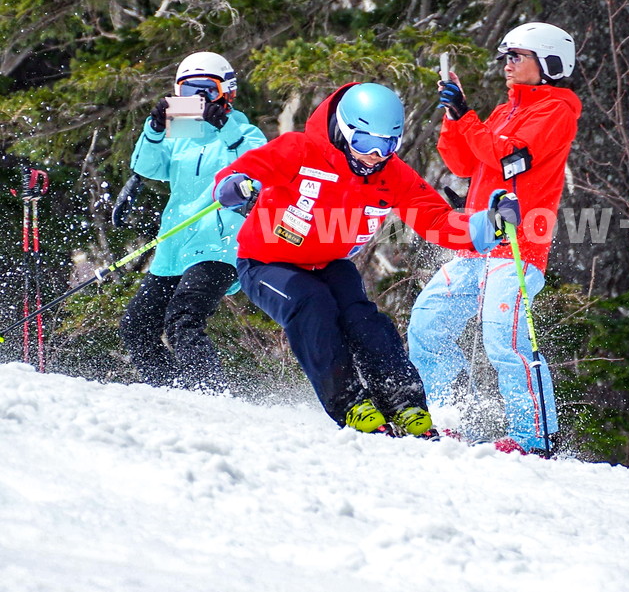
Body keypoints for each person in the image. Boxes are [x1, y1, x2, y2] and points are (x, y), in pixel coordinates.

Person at [213, 82, 519, 436]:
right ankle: (351, 404)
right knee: (313, 306)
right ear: (344, 132)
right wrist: (234, 186)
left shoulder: (392, 175)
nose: (374, 155)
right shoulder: (298, 149)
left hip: (329, 263)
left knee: (363, 319)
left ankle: (404, 402)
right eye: (364, 143)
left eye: (387, 144)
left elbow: (434, 219)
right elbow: (239, 175)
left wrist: (487, 225)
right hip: (267, 262)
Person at [407, 23, 581, 455]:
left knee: (504, 341)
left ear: (548, 63)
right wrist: (454, 117)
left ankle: (534, 438)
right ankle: (448, 417)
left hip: (518, 246)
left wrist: (466, 115)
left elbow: (506, 158)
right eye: (507, 56)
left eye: (517, 56)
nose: (507, 64)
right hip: (478, 243)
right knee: (428, 325)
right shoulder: (505, 112)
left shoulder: (556, 110)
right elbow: (464, 162)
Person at [118, 52, 266, 390]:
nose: (197, 101)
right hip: (175, 247)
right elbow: (151, 167)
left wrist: (225, 127)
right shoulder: (182, 129)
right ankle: (171, 390)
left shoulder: (245, 132)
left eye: (206, 91)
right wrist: (154, 130)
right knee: (136, 326)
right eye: (188, 92)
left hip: (220, 246)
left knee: (183, 320)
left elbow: (261, 169)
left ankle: (210, 394)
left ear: (226, 93)